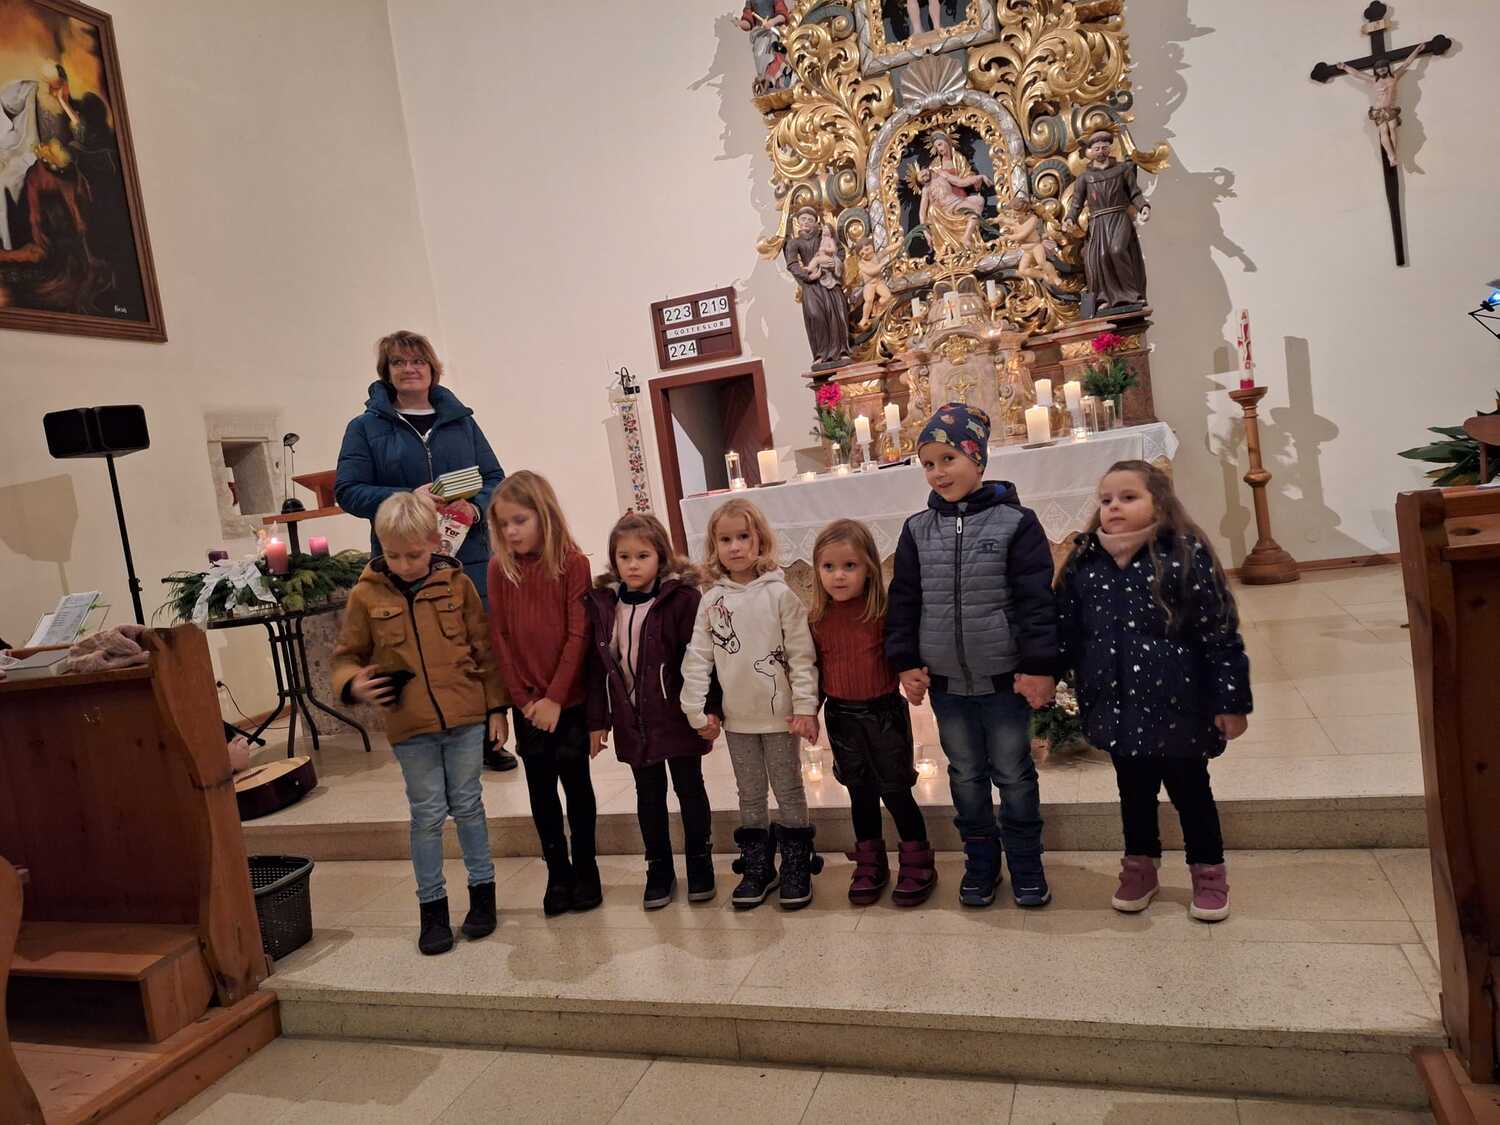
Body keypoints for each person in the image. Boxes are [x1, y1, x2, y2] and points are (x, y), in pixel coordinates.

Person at [1055, 461, 1251, 922]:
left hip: (1180, 704)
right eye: (1106, 500)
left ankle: (1208, 872)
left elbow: (1219, 633)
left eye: (1128, 497)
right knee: (1134, 793)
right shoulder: (1085, 560)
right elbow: (1065, 627)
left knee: (1191, 793)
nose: (1114, 507)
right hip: (1118, 704)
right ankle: (1140, 868)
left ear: (1159, 503)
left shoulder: (1185, 555)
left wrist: (1230, 701)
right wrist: (1044, 673)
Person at [886, 403, 1060, 909]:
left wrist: (1039, 667)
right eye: (928, 464)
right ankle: (981, 863)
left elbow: (1035, 602)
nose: (938, 472)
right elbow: (904, 601)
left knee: (1014, 775)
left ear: (977, 458)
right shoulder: (917, 529)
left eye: (948, 459)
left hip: (1004, 680)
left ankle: (1026, 863)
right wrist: (905, 661)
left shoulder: (1016, 523)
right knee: (964, 775)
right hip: (947, 684)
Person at [331, 492, 507, 955]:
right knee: (427, 815)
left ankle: (483, 895)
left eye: (414, 554)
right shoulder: (366, 595)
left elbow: (483, 649)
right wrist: (353, 684)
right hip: (410, 726)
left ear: (434, 542)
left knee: (468, 806)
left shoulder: (457, 585)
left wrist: (496, 709)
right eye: (393, 555)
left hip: (465, 717)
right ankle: (432, 909)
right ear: (380, 547)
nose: (405, 565)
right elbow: (346, 657)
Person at [334, 329, 516, 772]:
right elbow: (348, 491)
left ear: (433, 369)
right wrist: (405, 497)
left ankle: (487, 737)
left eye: (418, 361)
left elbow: (496, 478)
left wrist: (476, 507)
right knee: (421, 643)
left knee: (473, 639)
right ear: (387, 372)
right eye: (399, 362)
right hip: (404, 557)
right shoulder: (365, 428)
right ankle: (429, 734)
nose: (409, 369)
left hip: (466, 553)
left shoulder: (461, 421)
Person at [680, 498, 820, 910]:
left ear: (760, 540)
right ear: (714, 546)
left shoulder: (780, 594)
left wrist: (806, 707)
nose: (736, 546)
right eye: (725, 540)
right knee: (750, 793)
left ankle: (796, 861)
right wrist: (694, 708)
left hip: (781, 718)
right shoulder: (711, 600)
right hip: (738, 719)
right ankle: (759, 866)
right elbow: (698, 656)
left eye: (743, 536)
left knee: (789, 788)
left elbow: (801, 655)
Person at [585, 512, 716, 910]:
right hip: (633, 718)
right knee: (648, 794)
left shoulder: (682, 600)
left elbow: (702, 658)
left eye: (642, 556)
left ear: (660, 556)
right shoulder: (605, 604)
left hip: (676, 714)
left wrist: (710, 709)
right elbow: (598, 668)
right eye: (623, 557)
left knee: (689, 788)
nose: (633, 565)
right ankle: (658, 866)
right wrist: (598, 721)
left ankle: (700, 861)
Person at [486, 471, 600, 916]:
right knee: (541, 789)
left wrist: (555, 698)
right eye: (503, 524)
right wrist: (524, 700)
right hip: (529, 705)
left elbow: (579, 634)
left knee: (577, 784)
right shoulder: (500, 569)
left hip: (567, 700)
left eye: (520, 520)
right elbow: (501, 638)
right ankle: (558, 871)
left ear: (544, 516)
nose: (511, 532)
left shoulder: (572, 563)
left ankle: (586, 868)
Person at [810, 519, 935, 907]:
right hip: (841, 717)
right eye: (829, 566)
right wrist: (807, 711)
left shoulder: (882, 613)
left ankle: (917, 860)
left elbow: (903, 653)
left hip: (883, 715)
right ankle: (870, 862)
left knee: (896, 791)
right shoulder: (817, 619)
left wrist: (913, 676)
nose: (839, 575)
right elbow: (812, 671)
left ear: (868, 567)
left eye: (849, 566)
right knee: (859, 794)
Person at [1063, 131, 1150, 315]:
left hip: (1118, 216)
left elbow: (1134, 193)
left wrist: (1143, 206)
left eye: (1104, 147)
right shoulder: (1085, 178)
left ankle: (1132, 294)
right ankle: (1107, 299)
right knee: (1101, 257)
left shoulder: (1122, 170)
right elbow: (1076, 203)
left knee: (1117, 250)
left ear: (1110, 149)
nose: (1101, 151)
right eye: (1097, 148)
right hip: (1098, 222)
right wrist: (1070, 218)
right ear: (1090, 151)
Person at [784, 206, 852, 371]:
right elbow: (792, 264)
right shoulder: (794, 242)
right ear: (798, 222)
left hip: (829, 281)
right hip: (811, 285)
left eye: (810, 220)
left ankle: (842, 351)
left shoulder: (825, 237)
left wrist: (834, 262)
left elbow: (840, 251)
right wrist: (808, 276)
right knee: (815, 315)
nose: (806, 222)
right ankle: (821, 355)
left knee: (837, 315)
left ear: (816, 222)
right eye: (803, 219)